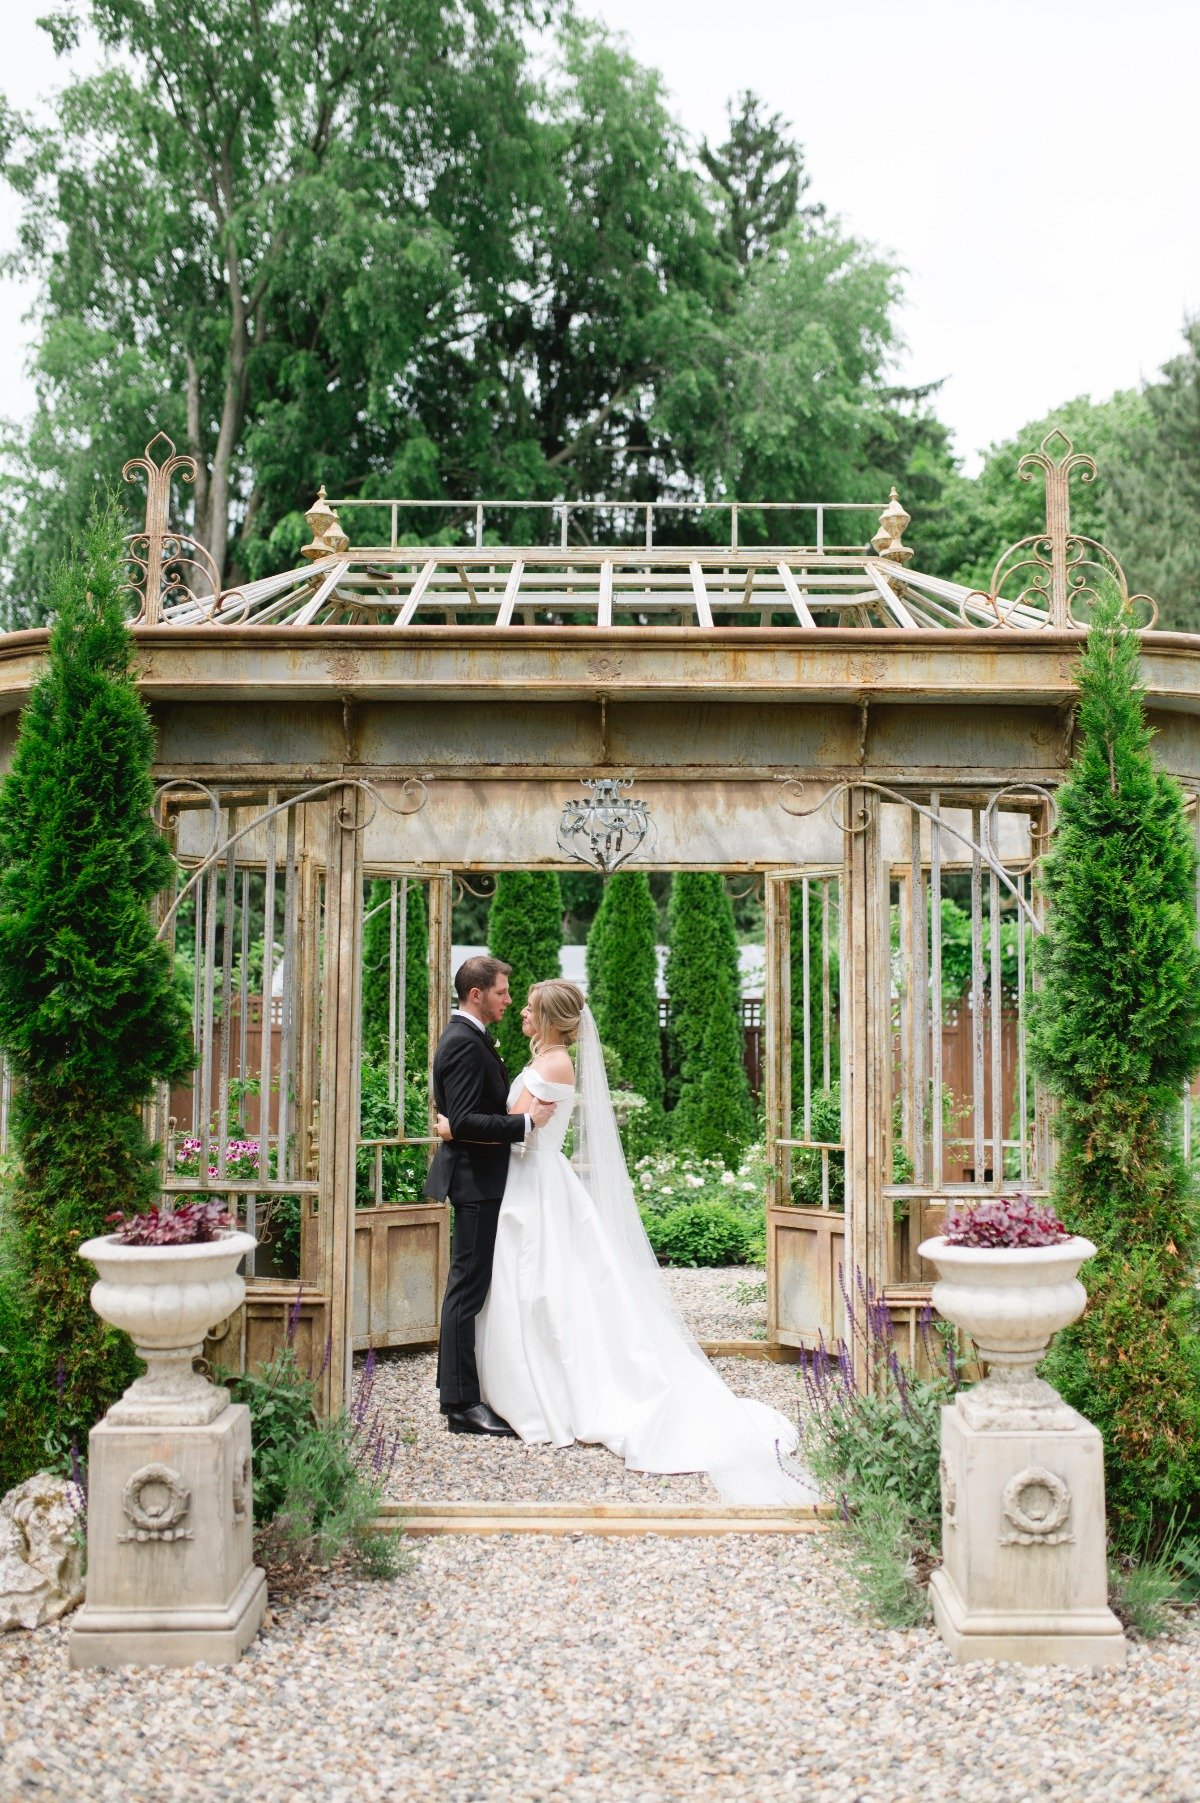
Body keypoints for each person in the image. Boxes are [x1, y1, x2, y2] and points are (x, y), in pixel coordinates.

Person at [434, 977, 814, 1505]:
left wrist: (457, 1129)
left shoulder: (553, 1065)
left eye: (527, 1006)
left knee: (541, 1286)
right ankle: (499, 1389)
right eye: (512, 1000)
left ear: (547, 1018)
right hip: (524, 1184)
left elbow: (513, 1125)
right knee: (523, 1286)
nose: (518, 1010)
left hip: (533, 1183)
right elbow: (514, 1119)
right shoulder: (543, 1059)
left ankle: (541, 1393)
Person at [424, 955, 555, 1436]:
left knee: (470, 1287)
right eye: (502, 992)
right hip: (475, 1183)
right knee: (466, 1289)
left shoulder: (472, 1038)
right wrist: (524, 1123)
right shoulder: (462, 1043)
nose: (508, 1000)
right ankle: (461, 1406)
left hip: (485, 1179)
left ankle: (458, 1392)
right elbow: (462, 1121)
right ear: (476, 994)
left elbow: (459, 1119)